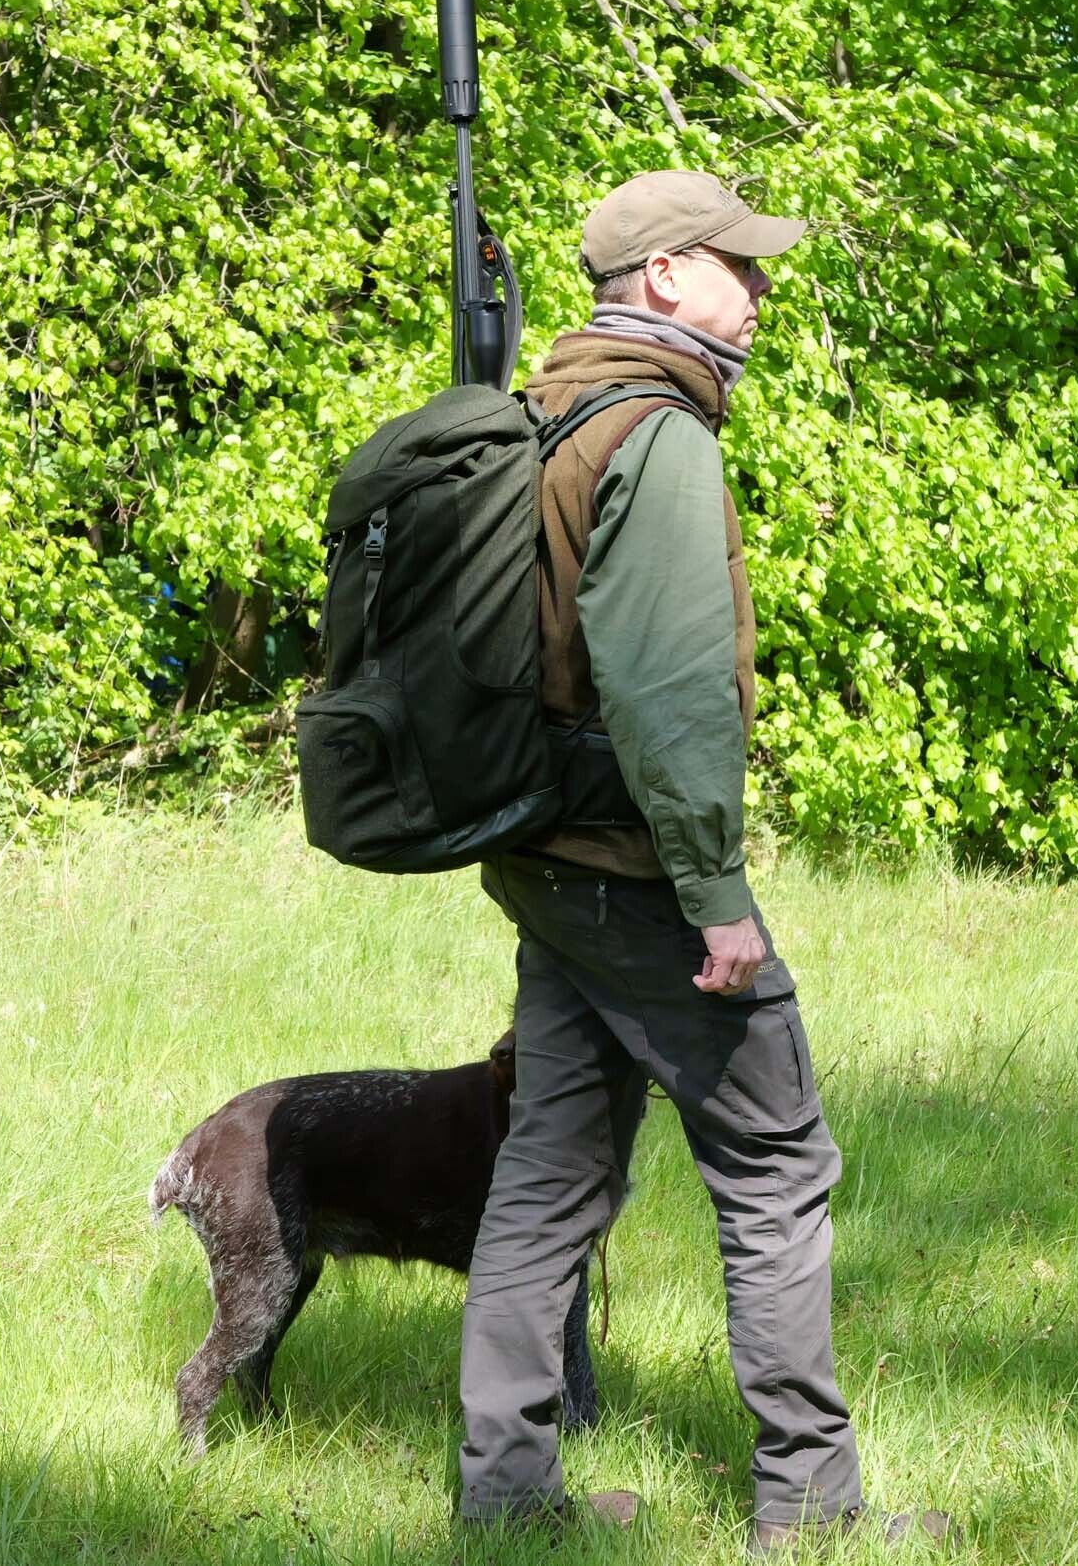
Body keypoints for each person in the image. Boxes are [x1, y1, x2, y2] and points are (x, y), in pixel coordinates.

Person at [456, 171, 942, 1553]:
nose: (760, 287)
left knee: (548, 1173)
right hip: (635, 868)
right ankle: (814, 1505)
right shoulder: (656, 435)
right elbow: (670, 694)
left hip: (543, 856)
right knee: (780, 1161)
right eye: (740, 263)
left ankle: (504, 1498)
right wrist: (719, 900)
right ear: (664, 276)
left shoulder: (546, 403)